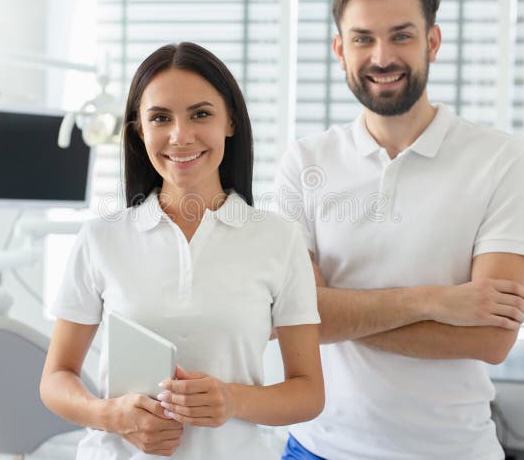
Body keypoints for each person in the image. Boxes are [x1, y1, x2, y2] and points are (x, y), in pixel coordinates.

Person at [274, 0, 524, 460]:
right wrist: (437, 302)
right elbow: (301, 320)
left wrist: (339, 311)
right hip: (317, 447)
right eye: (363, 39)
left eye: (401, 36)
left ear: (432, 42)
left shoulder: (499, 159)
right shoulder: (305, 162)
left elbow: (490, 338)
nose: (382, 57)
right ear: (341, 51)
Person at [41, 42, 324, 460]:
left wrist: (234, 400)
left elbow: (308, 393)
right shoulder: (102, 238)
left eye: (201, 114)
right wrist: (110, 415)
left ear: (230, 121)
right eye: (160, 118)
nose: (180, 135)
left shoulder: (279, 240)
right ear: (139, 130)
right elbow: (55, 378)